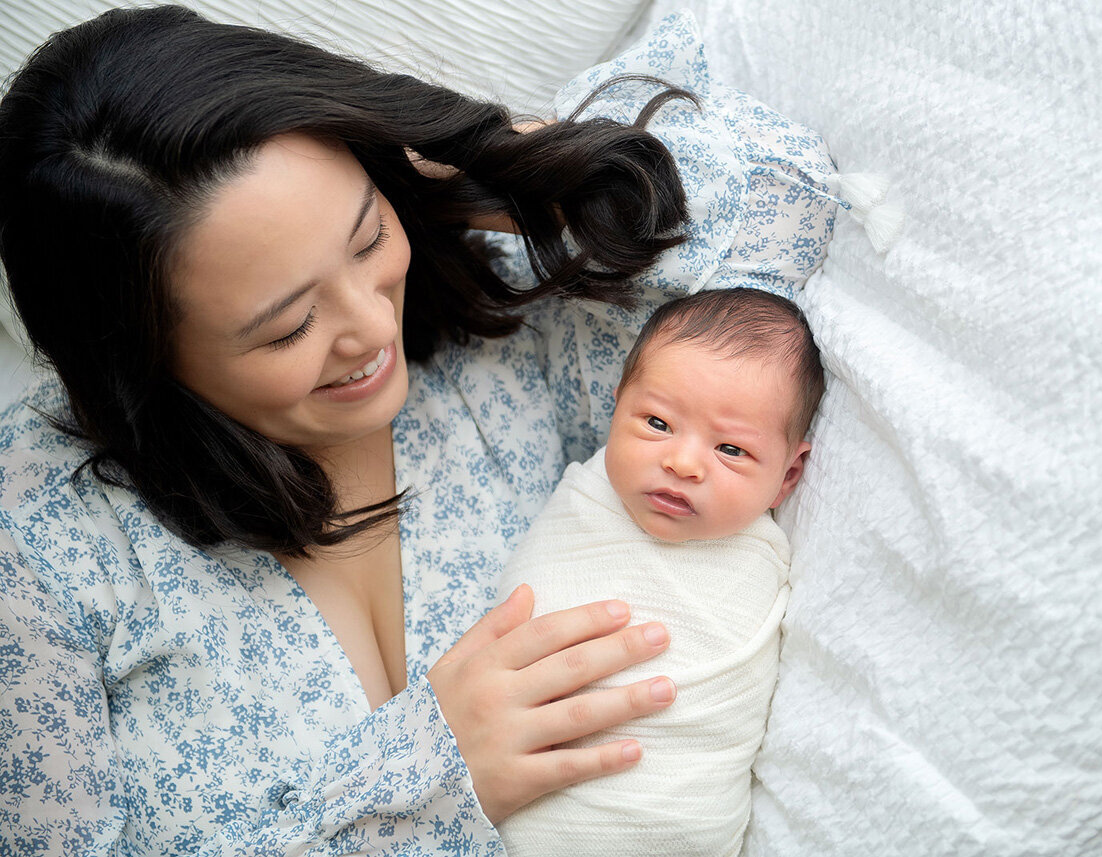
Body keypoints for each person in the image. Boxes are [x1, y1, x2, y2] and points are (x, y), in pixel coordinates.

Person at [0, 6, 836, 854]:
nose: (370, 328)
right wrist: (429, 785)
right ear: (141, 359)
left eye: (366, 238)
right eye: (289, 326)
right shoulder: (34, 544)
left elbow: (790, 208)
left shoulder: (491, 337)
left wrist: (485, 165)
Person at [495, 288, 822, 857]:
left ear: (789, 475)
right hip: (521, 806)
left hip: (672, 816)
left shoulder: (762, 556)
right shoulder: (584, 498)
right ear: (617, 405)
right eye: (656, 422)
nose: (683, 462)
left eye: (731, 450)